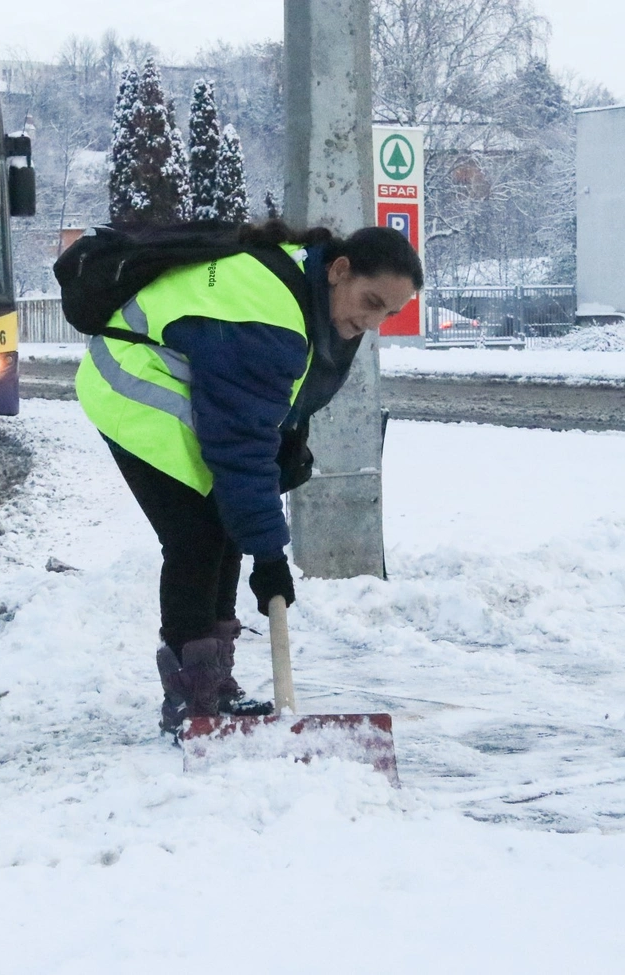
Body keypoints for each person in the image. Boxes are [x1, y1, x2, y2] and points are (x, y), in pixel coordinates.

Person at [74, 221, 423, 735]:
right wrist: (270, 556)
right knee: (196, 536)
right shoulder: (268, 316)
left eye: (388, 314)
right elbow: (239, 448)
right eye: (371, 302)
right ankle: (192, 700)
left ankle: (214, 684)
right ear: (339, 270)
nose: (372, 322)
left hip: (188, 384)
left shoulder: (305, 292)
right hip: (134, 382)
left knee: (225, 525)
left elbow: (273, 408)